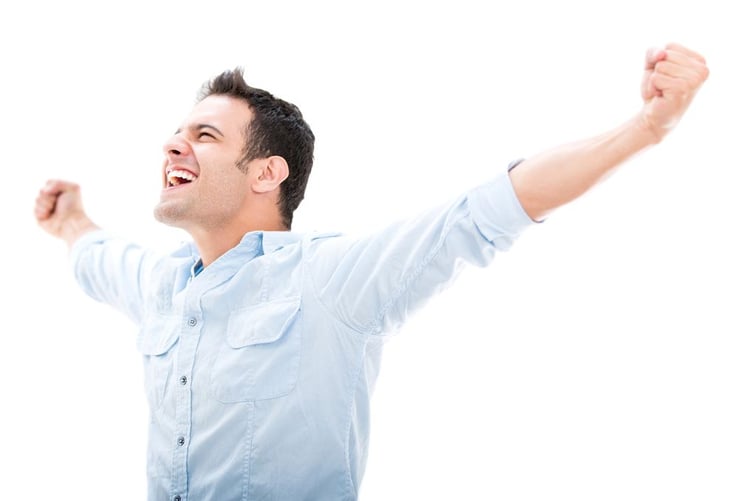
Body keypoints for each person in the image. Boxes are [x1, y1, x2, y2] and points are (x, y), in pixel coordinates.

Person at [34, 42, 708, 501]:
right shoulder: (160, 286)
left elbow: (484, 212)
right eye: (179, 131)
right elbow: (97, 257)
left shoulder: (330, 279)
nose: (174, 143)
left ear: (268, 173)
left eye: (205, 135)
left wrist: (646, 129)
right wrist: (69, 218)